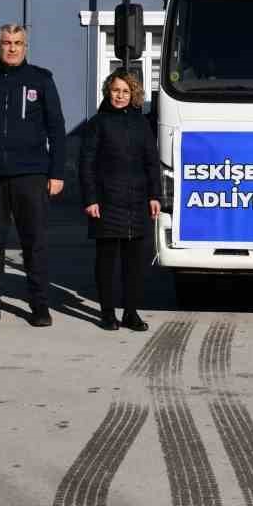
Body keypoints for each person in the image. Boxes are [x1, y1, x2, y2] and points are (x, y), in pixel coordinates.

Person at [0, 24, 67, 327]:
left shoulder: (41, 80)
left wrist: (56, 172)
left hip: (31, 174)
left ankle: (39, 306)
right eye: (6, 42)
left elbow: (57, 129)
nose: (12, 48)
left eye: (18, 43)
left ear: (25, 46)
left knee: (34, 243)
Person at [80, 69, 162, 331]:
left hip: (137, 202)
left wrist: (154, 195)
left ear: (133, 94)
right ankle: (106, 313)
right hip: (106, 202)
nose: (120, 95)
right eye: (116, 90)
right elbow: (87, 164)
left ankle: (130, 313)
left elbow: (151, 162)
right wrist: (90, 198)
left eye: (125, 91)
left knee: (134, 265)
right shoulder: (97, 123)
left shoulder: (141, 125)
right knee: (106, 262)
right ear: (108, 91)